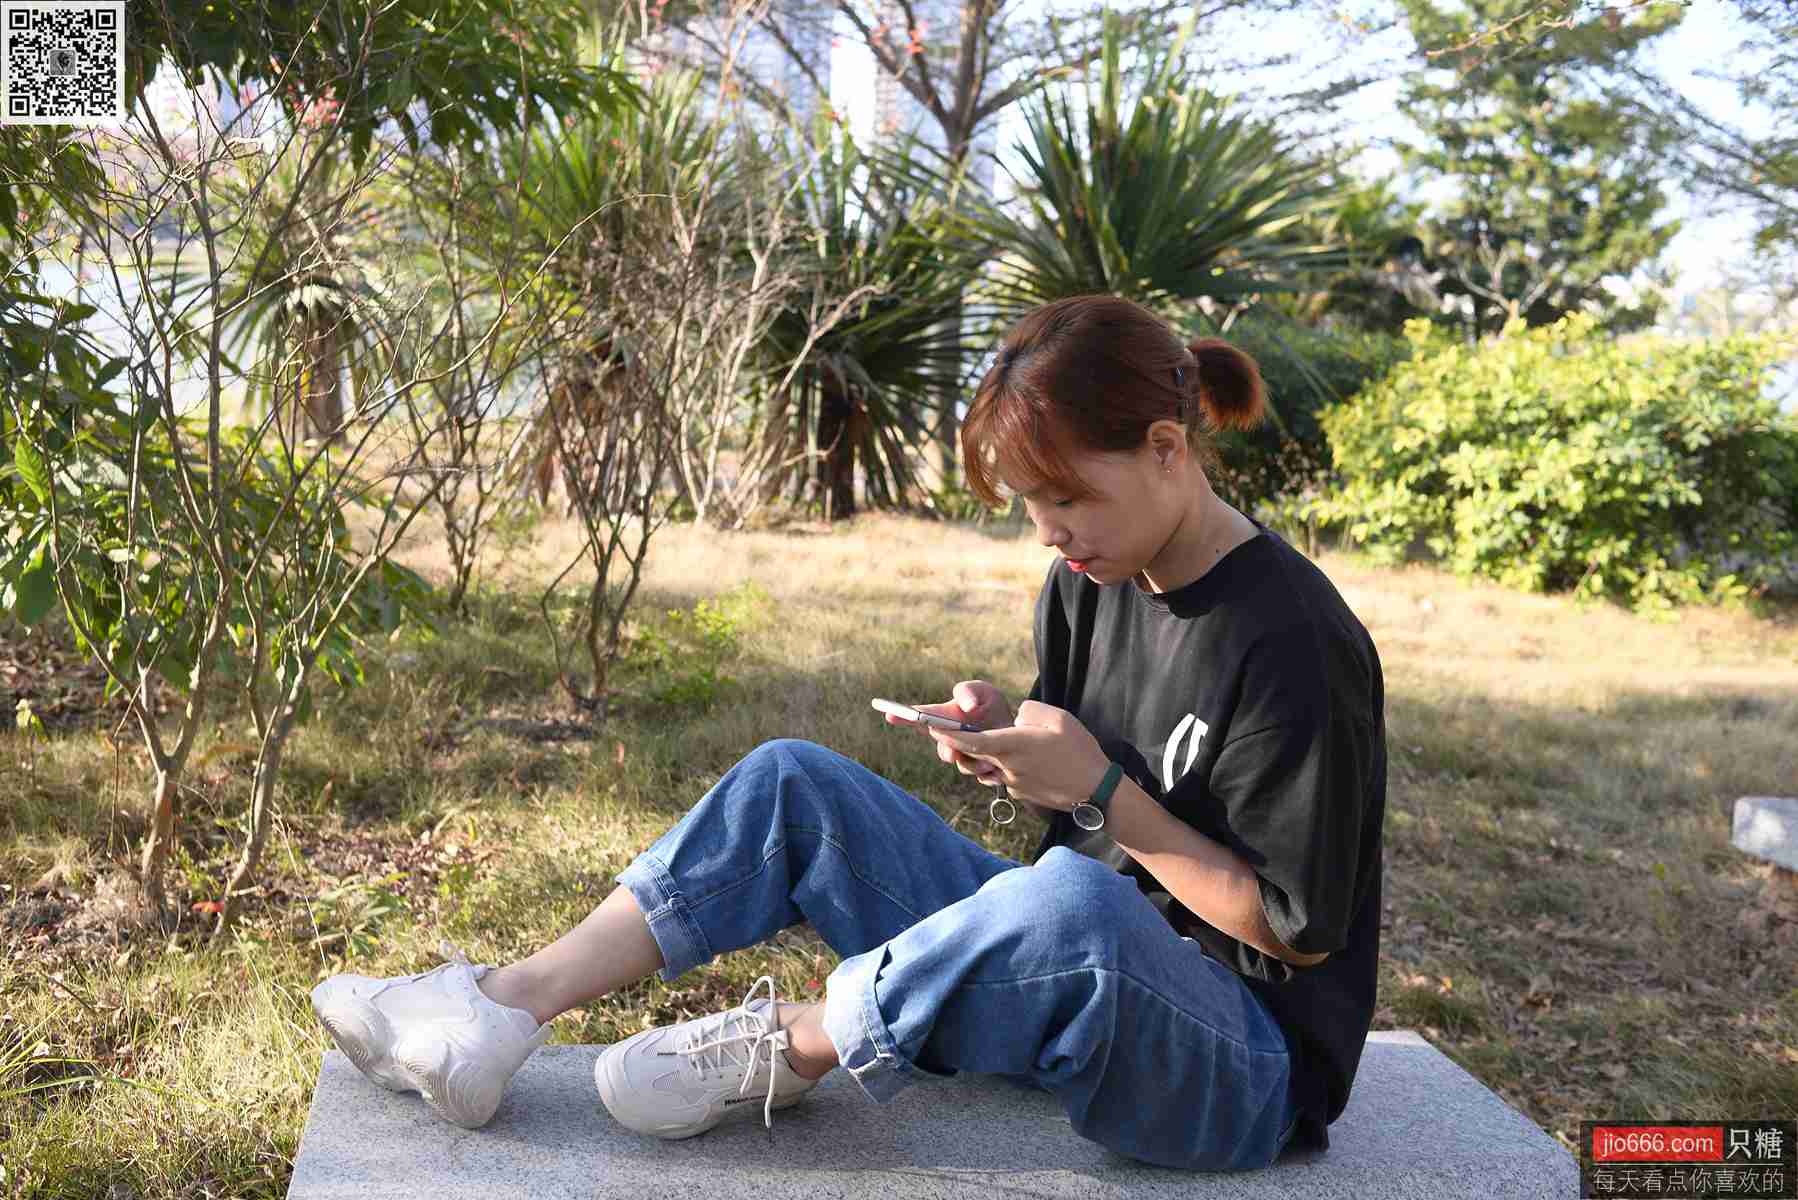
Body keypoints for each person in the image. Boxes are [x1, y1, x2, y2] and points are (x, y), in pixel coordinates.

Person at [309, 293, 1387, 1172]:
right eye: (1026, 502)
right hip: (1067, 983)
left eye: (1066, 497)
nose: (1048, 531)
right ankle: (497, 1014)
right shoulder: (1086, 579)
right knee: (793, 783)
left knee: (1070, 902)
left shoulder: (1293, 639)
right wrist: (1008, 742)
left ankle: (793, 1045)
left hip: (1240, 1066)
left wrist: (1101, 792)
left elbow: (1292, 932)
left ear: (1165, 448)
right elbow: (1089, 781)